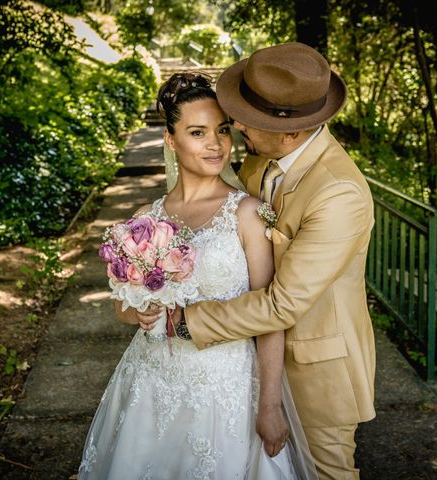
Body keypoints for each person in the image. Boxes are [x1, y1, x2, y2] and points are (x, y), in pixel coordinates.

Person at [78, 73, 317, 479]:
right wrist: (139, 314)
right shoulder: (144, 221)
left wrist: (270, 404)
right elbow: (122, 307)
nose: (215, 144)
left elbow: (271, 315)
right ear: (171, 139)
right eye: (197, 132)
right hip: (154, 381)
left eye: (222, 130)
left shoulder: (247, 213)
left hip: (227, 387)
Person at [169, 43, 377, 479]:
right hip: (248, 362)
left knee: (326, 473)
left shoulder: (339, 194)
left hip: (316, 369)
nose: (237, 125)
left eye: (246, 119)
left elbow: (282, 304)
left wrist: (186, 321)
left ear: (292, 132)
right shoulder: (263, 159)